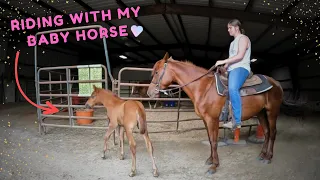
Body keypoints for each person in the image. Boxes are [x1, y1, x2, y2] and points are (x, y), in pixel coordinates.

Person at [214, 19, 251, 130]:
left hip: (241, 68)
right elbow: (231, 59)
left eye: (230, 28)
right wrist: (224, 68)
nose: (228, 30)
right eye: (228, 28)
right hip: (232, 69)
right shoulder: (232, 43)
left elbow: (240, 56)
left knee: (233, 88)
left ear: (237, 27)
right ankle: (225, 114)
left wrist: (222, 61)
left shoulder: (243, 38)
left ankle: (236, 121)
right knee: (221, 86)